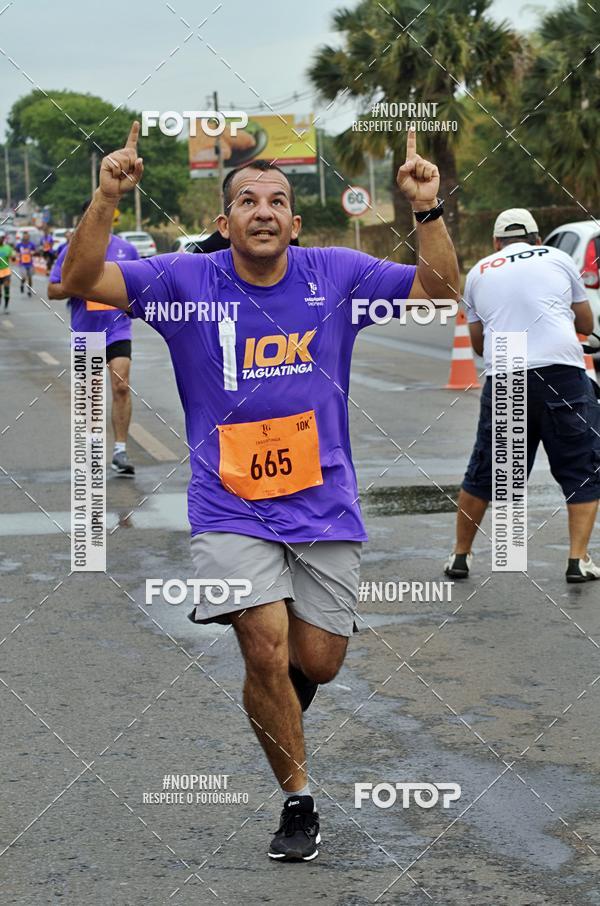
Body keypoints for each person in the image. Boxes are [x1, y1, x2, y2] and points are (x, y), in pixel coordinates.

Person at [61, 122, 459, 862]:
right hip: (228, 502)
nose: (264, 210)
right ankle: (298, 799)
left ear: (295, 221)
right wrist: (106, 199)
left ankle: (280, 706)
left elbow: (439, 290)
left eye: (277, 200)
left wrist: (426, 211)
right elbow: (82, 280)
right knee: (265, 647)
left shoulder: (336, 273)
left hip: (323, 499)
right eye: (248, 200)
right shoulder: (183, 281)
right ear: (226, 222)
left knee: (320, 660)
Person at [445, 208, 600, 584]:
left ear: (497, 243)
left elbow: (479, 344)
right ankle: (577, 560)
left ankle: (460, 557)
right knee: (582, 468)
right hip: (561, 371)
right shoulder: (559, 257)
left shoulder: (479, 272)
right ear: (536, 237)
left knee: (487, 472)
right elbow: (586, 324)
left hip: (506, 373)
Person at [48, 203, 139, 476]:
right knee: (91, 394)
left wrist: (135, 304)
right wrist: (75, 285)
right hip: (86, 332)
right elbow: (52, 289)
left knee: (121, 386)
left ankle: (120, 451)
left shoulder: (127, 250)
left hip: (118, 330)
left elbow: (140, 287)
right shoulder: (72, 252)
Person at [14, 230, 36, 297]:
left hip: (30, 263)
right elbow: (16, 251)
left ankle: (29, 290)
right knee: (24, 277)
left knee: (30, 277)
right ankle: (22, 284)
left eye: (27, 236)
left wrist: (33, 252)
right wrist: (17, 254)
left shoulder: (31, 244)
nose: (26, 237)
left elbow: (35, 251)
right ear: (23, 237)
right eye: (25, 236)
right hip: (22, 263)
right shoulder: (19, 245)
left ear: (29, 237)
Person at [0, 232, 14, 311]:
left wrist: (13, 257)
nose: (1, 239)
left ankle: (6, 305)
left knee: (6, 288)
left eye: (2, 238)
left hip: (6, 271)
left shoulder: (7, 248)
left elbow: (12, 257)